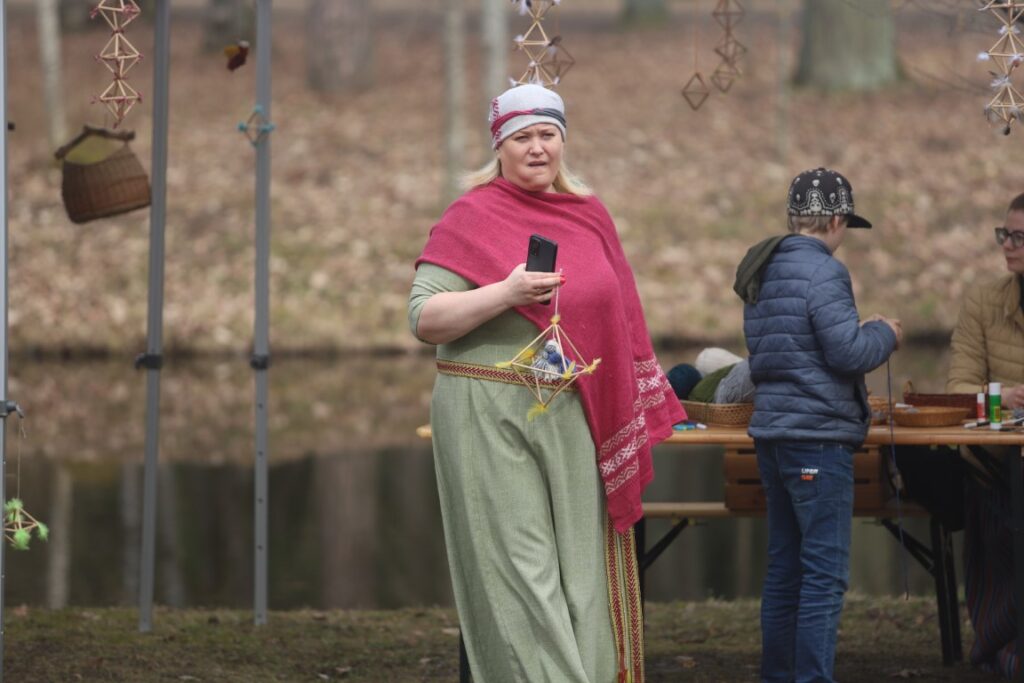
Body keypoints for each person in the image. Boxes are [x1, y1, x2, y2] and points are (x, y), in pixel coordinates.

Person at [408, 83, 683, 682]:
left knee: (584, 573)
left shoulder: (589, 215)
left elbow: (623, 318)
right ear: (499, 147)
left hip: (574, 412)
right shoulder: (472, 215)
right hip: (489, 412)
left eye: (547, 135)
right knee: (521, 572)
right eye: (522, 137)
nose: (537, 148)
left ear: (564, 141)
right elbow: (424, 318)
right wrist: (505, 293)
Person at [733, 167, 902, 683]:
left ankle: (777, 676)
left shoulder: (764, 266)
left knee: (785, 568)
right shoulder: (825, 272)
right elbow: (847, 353)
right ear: (833, 219)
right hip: (817, 442)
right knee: (824, 576)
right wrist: (884, 333)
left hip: (774, 437)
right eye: (846, 223)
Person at [947, 193, 1024, 679]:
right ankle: (1007, 640)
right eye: (1005, 235)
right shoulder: (983, 299)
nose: (1008, 247)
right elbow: (958, 389)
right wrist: (1003, 397)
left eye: (1019, 237)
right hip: (1000, 465)